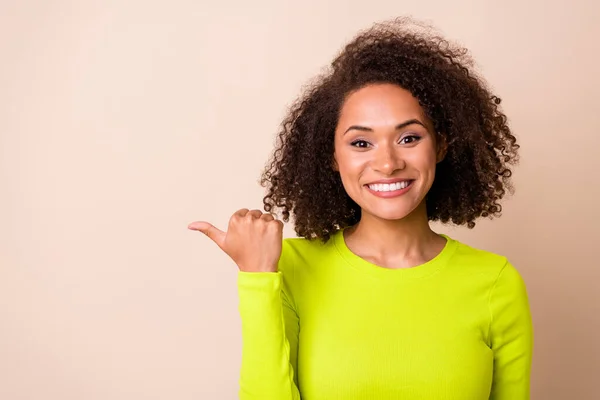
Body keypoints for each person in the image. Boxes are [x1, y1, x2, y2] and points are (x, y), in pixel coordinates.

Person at [188, 17, 533, 400]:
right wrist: (256, 277)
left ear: (441, 145)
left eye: (409, 137)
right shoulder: (288, 267)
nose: (387, 163)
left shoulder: (495, 283)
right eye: (361, 143)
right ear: (333, 157)